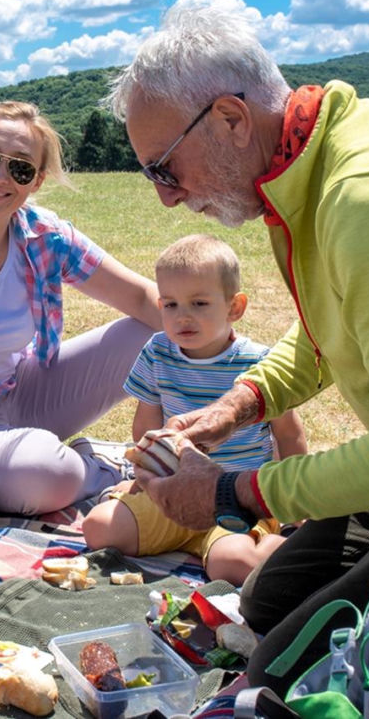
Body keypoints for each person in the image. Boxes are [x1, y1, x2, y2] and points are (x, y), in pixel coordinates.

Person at [107, 3, 369, 692]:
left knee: (278, 676)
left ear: (230, 119)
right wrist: (239, 403)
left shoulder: (365, 196)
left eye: (165, 169)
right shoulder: (302, 167)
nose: (167, 199)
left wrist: (235, 492)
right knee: (266, 603)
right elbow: (331, 327)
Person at [0, 100, 161, 515]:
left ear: (36, 181)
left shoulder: (45, 236)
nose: (0, 177)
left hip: (21, 390)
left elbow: (142, 298)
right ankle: (109, 469)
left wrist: (237, 364)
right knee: (34, 480)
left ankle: (74, 459)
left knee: (160, 331)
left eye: (20, 168)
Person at [81, 234, 306, 585]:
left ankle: (285, 545)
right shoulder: (158, 353)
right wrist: (144, 478)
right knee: (97, 528)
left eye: (199, 304)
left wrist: (296, 506)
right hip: (172, 492)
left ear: (235, 307)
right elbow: (146, 425)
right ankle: (188, 540)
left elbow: (289, 434)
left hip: (235, 497)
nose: (182, 316)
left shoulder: (259, 363)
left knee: (232, 565)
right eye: (170, 305)